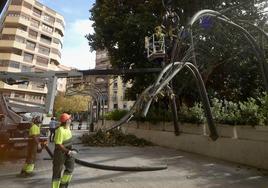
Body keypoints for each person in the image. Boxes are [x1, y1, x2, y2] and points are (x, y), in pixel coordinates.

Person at [52, 113, 76, 188]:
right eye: (69, 119)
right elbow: (58, 144)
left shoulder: (68, 128)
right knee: (57, 171)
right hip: (60, 153)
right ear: (66, 121)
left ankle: (63, 185)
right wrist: (68, 151)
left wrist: (71, 150)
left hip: (68, 151)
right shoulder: (60, 130)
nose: (70, 120)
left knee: (70, 168)